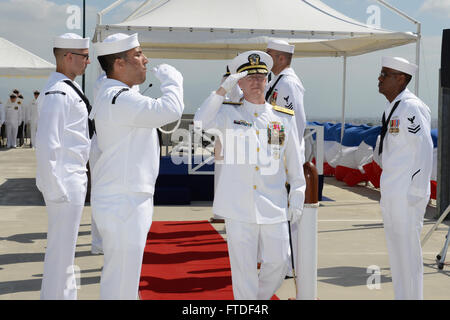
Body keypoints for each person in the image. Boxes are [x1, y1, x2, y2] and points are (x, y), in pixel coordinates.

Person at [194, 50, 306, 300]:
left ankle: (258, 300)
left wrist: (298, 191)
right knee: (243, 268)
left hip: (273, 202)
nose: (256, 81)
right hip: (238, 205)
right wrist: (222, 91)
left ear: (267, 80)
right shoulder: (227, 114)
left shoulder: (282, 118)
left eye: (261, 76)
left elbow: (294, 161)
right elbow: (200, 123)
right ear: (240, 83)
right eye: (249, 77)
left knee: (279, 262)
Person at [90, 33, 184, 299]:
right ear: (119, 64)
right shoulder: (118, 98)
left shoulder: (117, 93)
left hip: (126, 196)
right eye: (138, 54)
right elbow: (169, 110)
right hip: (124, 200)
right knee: (121, 280)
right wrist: (173, 81)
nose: (146, 60)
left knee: (124, 278)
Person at [35, 33, 91, 300]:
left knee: (64, 251)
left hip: (70, 179)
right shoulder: (58, 92)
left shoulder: (66, 87)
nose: (88, 62)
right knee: (61, 251)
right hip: (64, 182)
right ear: (69, 57)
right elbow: (47, 143)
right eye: (84, 57)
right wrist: (54, 187)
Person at [377, 56, 433, 300]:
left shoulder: (411, 107)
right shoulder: (394, 106)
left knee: (408, 256)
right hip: (392, 191)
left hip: (406, 194)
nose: (379, 79)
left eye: (384, 74)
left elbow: (423, 148)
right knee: (397, 255)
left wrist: (418, 191)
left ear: (400, 79)